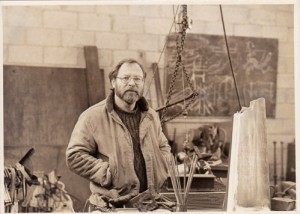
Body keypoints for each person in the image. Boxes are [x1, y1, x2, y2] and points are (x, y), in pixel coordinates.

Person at [66, 58, 171, 210]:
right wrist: (108, 172)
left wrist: (161, 168)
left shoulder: (151, 116)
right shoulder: (92, 117)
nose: (132, 83)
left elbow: (164, 147)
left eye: (137, 79)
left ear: (142, 83)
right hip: (111, 205)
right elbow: (74, 156)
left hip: (149, 203)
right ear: (113, 82)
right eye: (126, 78)